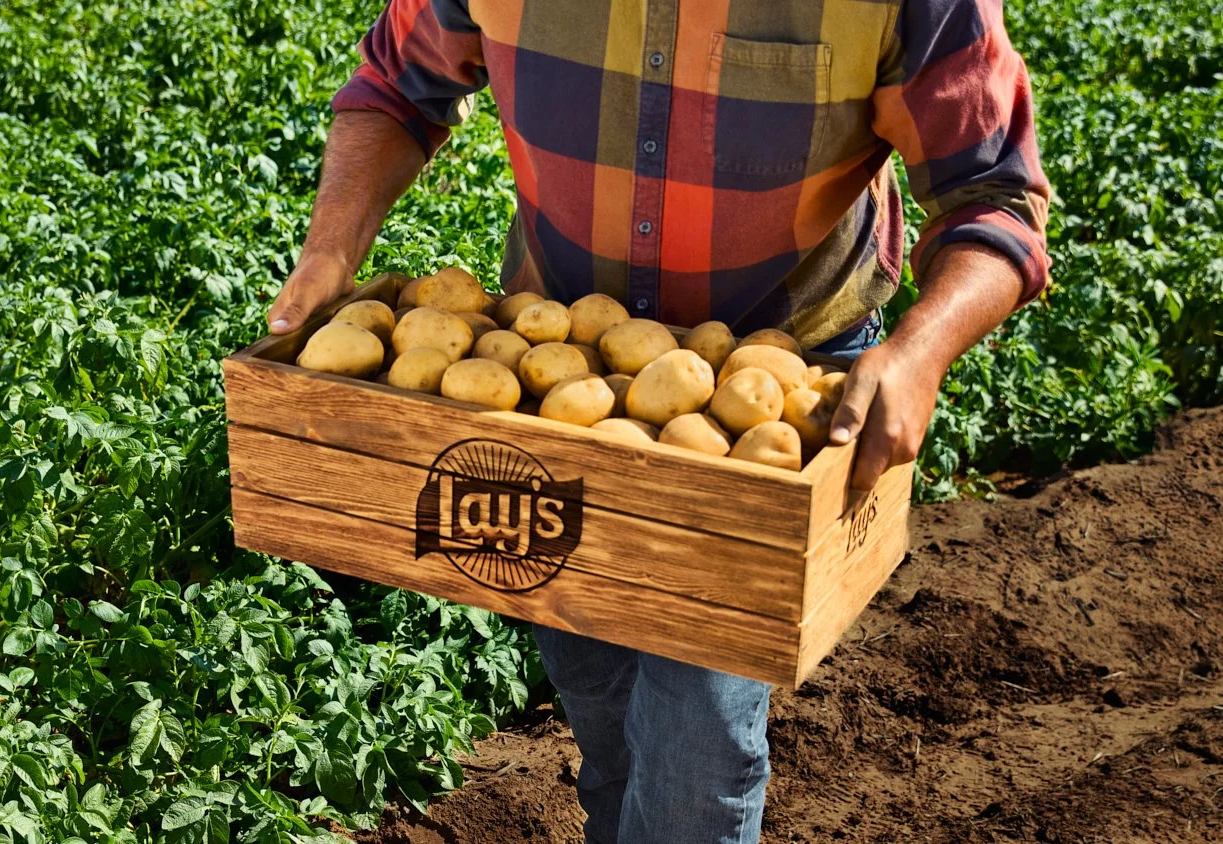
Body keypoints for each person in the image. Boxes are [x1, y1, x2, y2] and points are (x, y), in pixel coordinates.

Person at [267, 1, 1049, 841]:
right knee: (598, 688)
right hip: (553, 373)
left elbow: (995, 193)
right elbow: (396, 86)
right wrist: (329, 251)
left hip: (777, 390)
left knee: (695, 745)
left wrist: (920, 351)